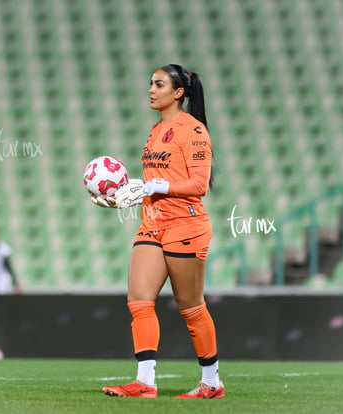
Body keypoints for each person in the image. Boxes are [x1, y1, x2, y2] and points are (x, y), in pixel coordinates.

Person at [92, 64, 225, 399]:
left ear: (179, 92)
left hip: (186, 224)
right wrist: (121, 200)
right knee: (138, 301)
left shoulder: (193, 131)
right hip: (152, 222)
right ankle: (145, 382)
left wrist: (156, 183)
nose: (151, 89)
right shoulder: (154, 131)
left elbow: (199, 185)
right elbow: (152, 189)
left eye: (159, 84)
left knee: (191, 308)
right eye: (151, 83)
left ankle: (211, 383)